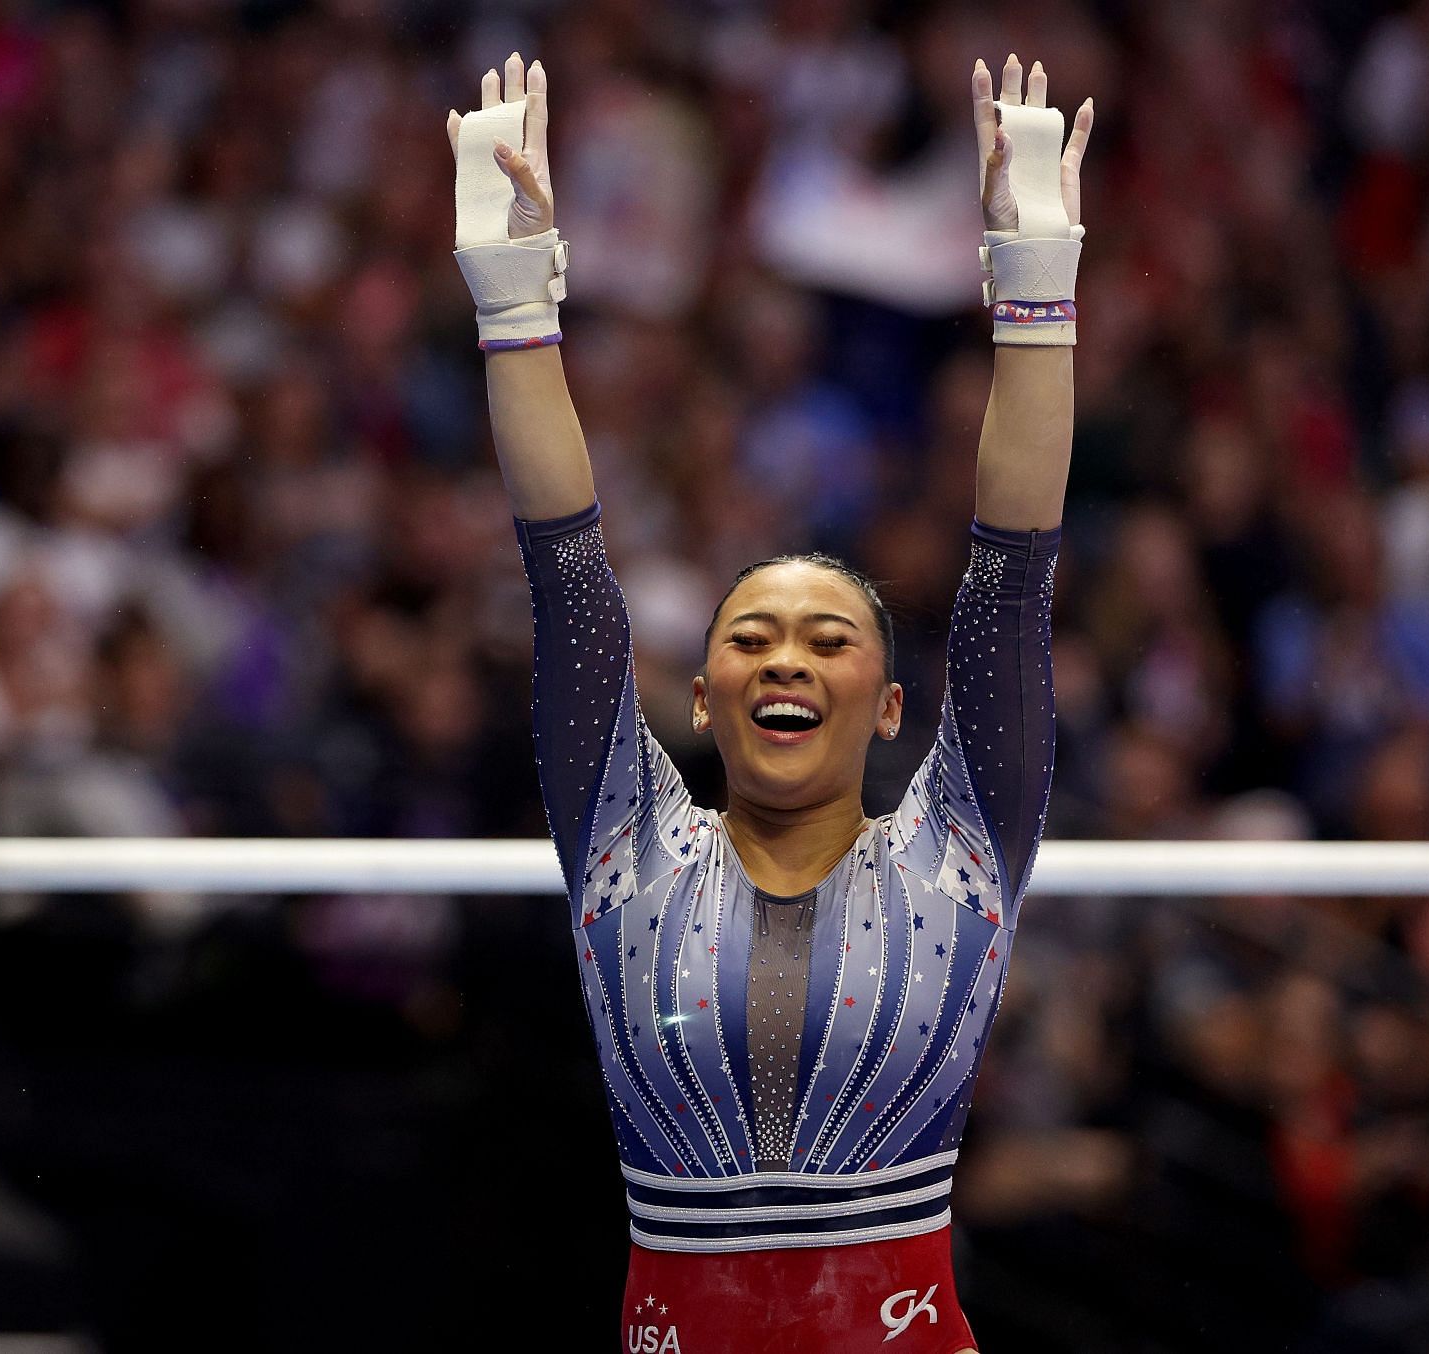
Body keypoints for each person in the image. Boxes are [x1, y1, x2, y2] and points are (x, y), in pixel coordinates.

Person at [446, 50, 1091, 1353]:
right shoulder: (625, 846)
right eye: (753, 635)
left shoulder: (960, 855)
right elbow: (566, 567)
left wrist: (1036, 298)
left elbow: (1013, 575)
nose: (787, 657)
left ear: (893, 704)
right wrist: (515, 304)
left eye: (826, 637)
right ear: (702, 691)